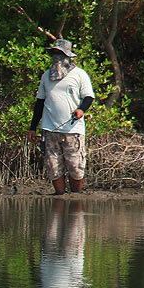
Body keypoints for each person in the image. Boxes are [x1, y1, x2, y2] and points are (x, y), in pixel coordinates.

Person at [26, 38, 95, 195]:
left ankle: (75, 197)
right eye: (54, 53)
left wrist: (81, 110)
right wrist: (32, 128)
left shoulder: (80, 74)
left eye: (60, 53)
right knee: (54, 168)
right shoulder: (46, 76)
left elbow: (88, 97)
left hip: (73, 130)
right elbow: (39, 103)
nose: (57, 56)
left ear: (68, 56)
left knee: (75, 167)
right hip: (50, 130)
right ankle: (60, 198)